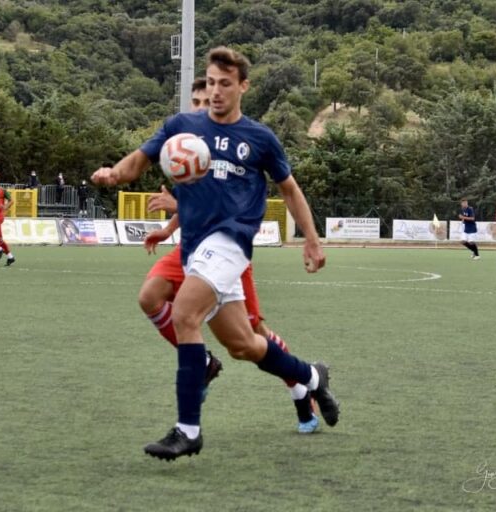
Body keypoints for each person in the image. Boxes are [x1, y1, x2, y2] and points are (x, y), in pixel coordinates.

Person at [92, 46, 339, 461]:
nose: (217, 91)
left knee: (186, 314)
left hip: (230, 243)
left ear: (243, 86)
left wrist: (312, 239)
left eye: (226, 84)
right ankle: (312, 376)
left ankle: (188, 430)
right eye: (211, 83)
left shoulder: (260, 139)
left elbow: (290, 190)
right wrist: (115, 173)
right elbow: (140, 158)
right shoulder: (183, 127)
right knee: (243, 345)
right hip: (194, 249)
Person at [138, 78, 318, 434]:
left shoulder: (237, 145)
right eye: (195, 101)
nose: (200, 108)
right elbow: (192, 202)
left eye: (207, 101)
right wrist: (169, 228)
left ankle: (300, 386)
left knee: (253, 335)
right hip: (189, 249)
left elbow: (225, 206)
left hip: (225, 252)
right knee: (150, 297)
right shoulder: (188, 146)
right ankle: (202, 363)